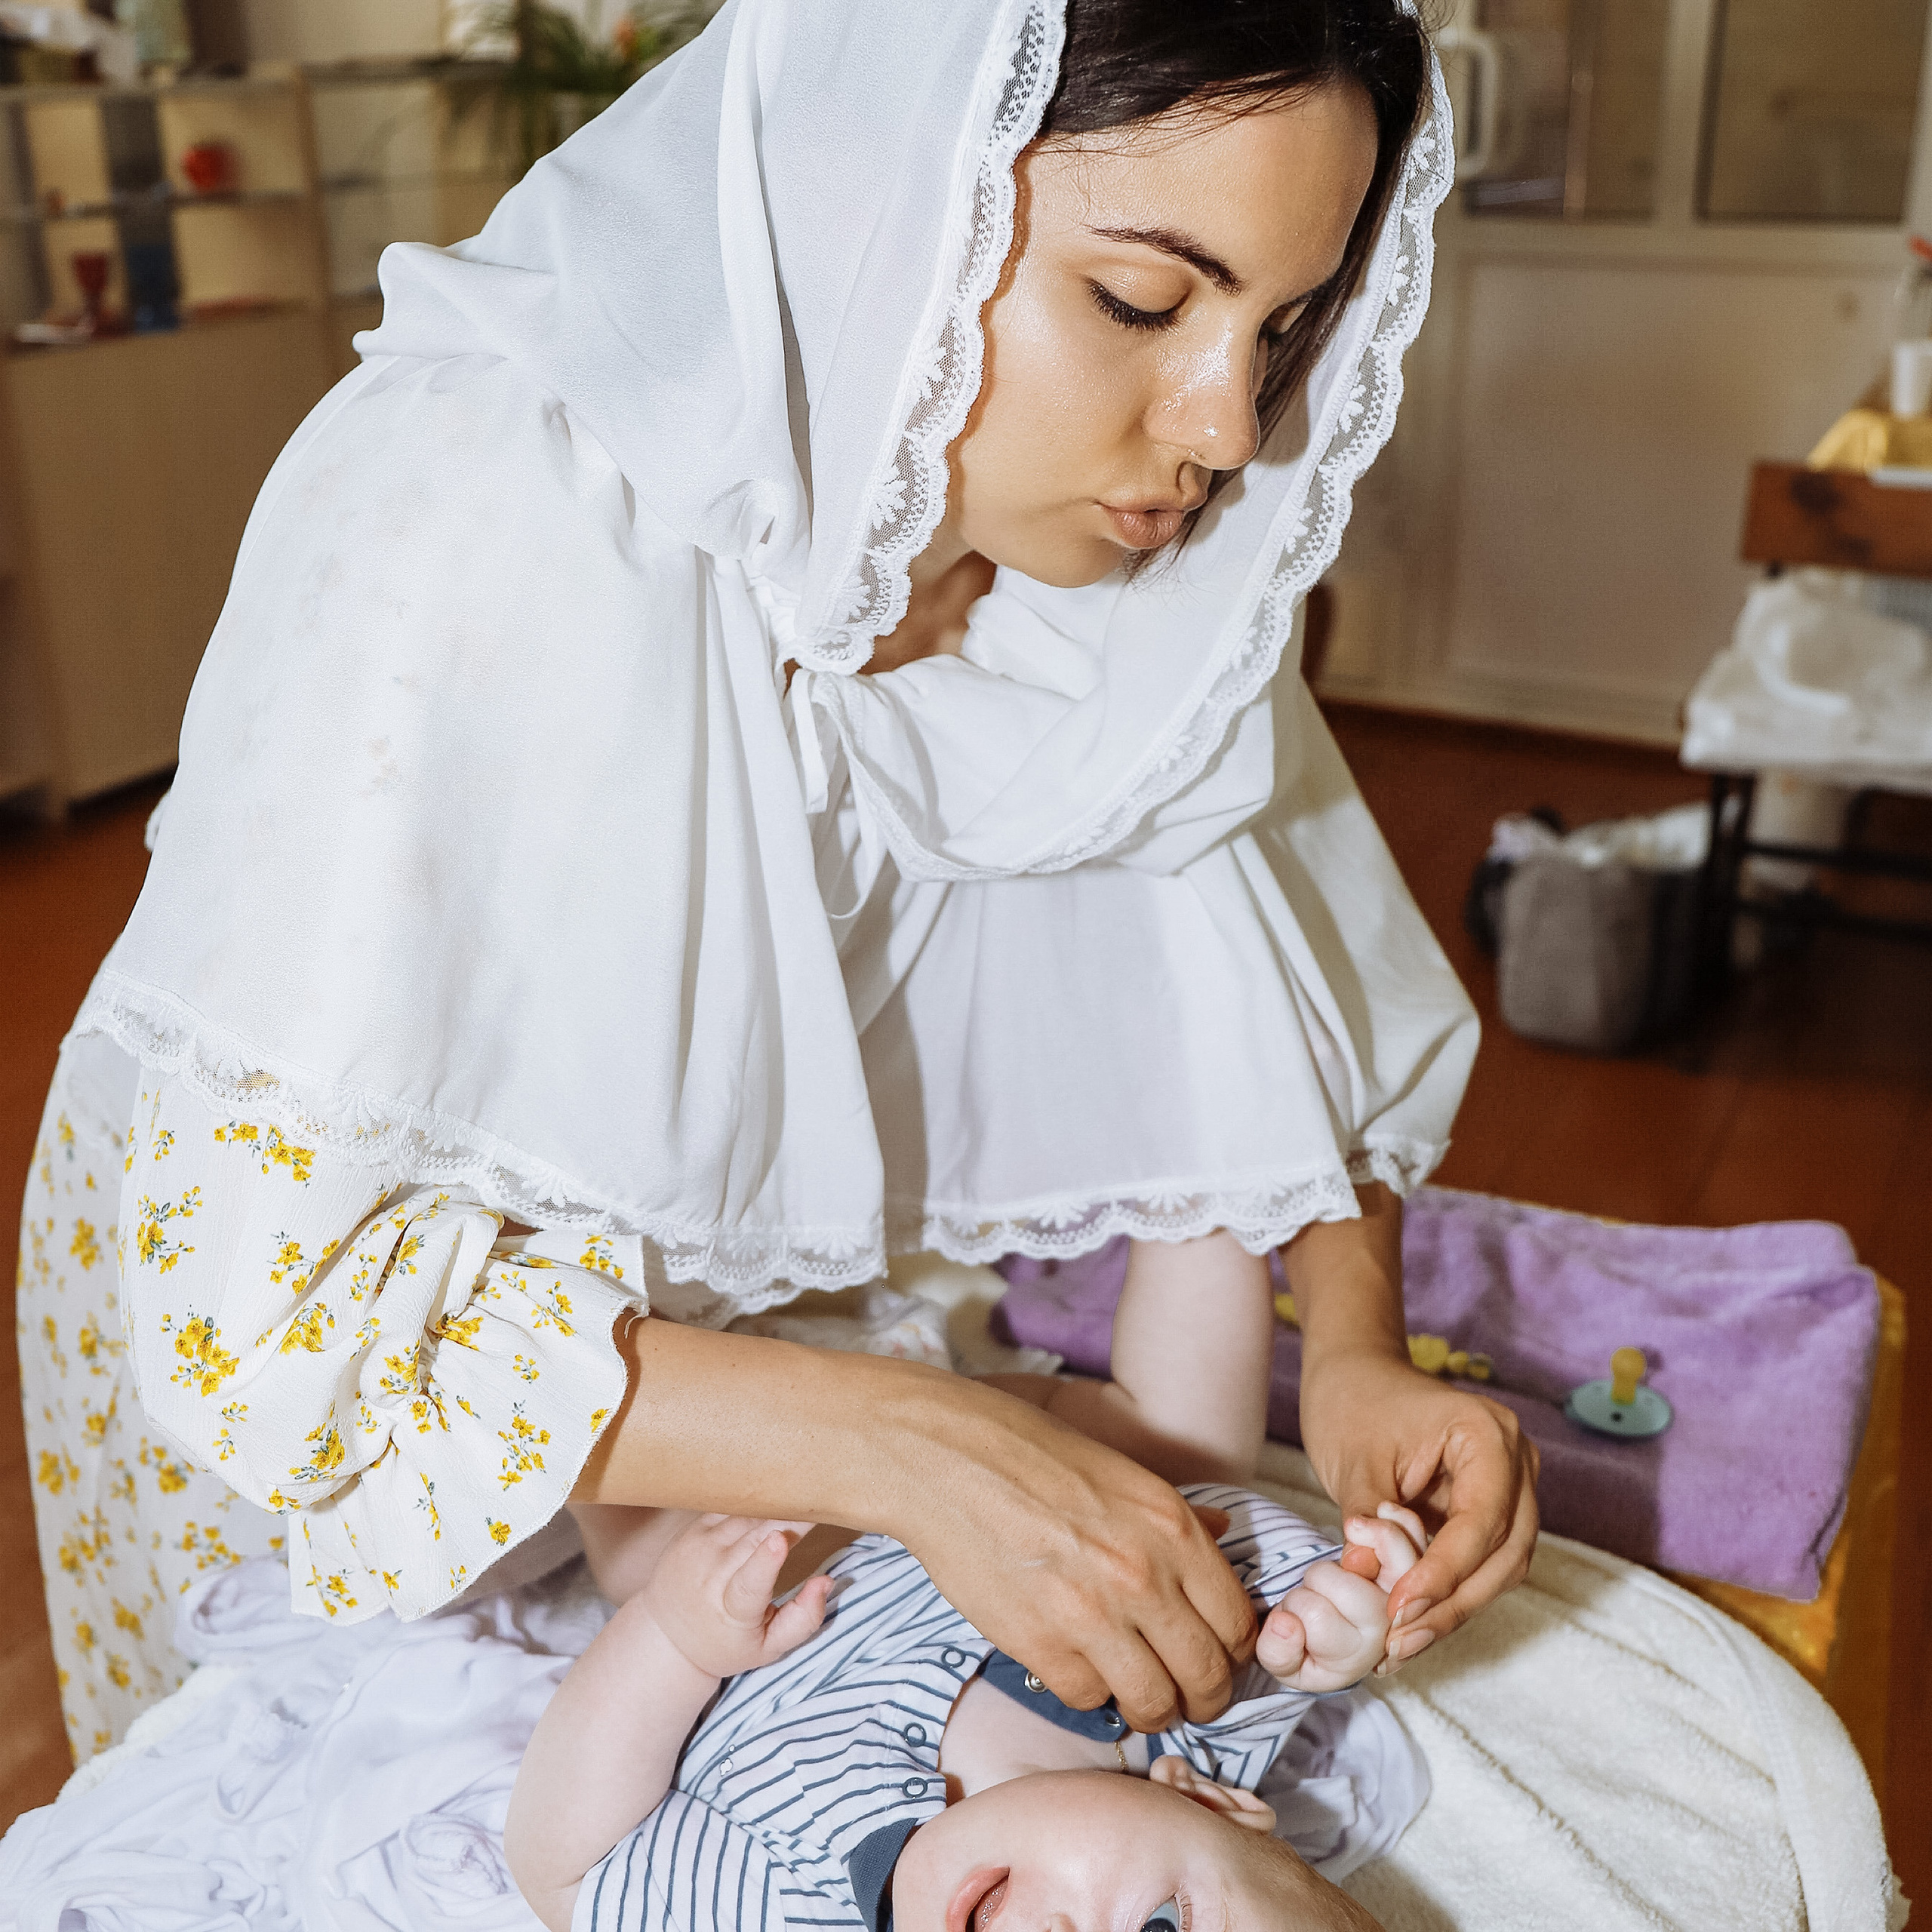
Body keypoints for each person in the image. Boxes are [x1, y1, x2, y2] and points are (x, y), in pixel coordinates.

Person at [19, 0, 1536, 1764]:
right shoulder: (466, 503)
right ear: (880, 184)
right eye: (1136, 299)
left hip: (721, 1443)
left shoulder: (1096, 564)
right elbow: (275, 1326)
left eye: (1279, 331)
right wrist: (925, 1444)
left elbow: (1272, 971)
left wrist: (1350, 1340)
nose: (1220, 427)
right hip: (316, 1419)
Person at [504, 1493, 1423, 1932]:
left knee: (632, 1522)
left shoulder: (787, 1901)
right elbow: (1218, 1542)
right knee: (1182, 1418)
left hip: (742, 1527)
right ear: (1209, 1805)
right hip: (973, 1466)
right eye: (1158, 1931)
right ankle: (1226, 1163)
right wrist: (1322, 1620)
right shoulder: (1178, 1718)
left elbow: (574, 1868)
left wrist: (670, 1637)